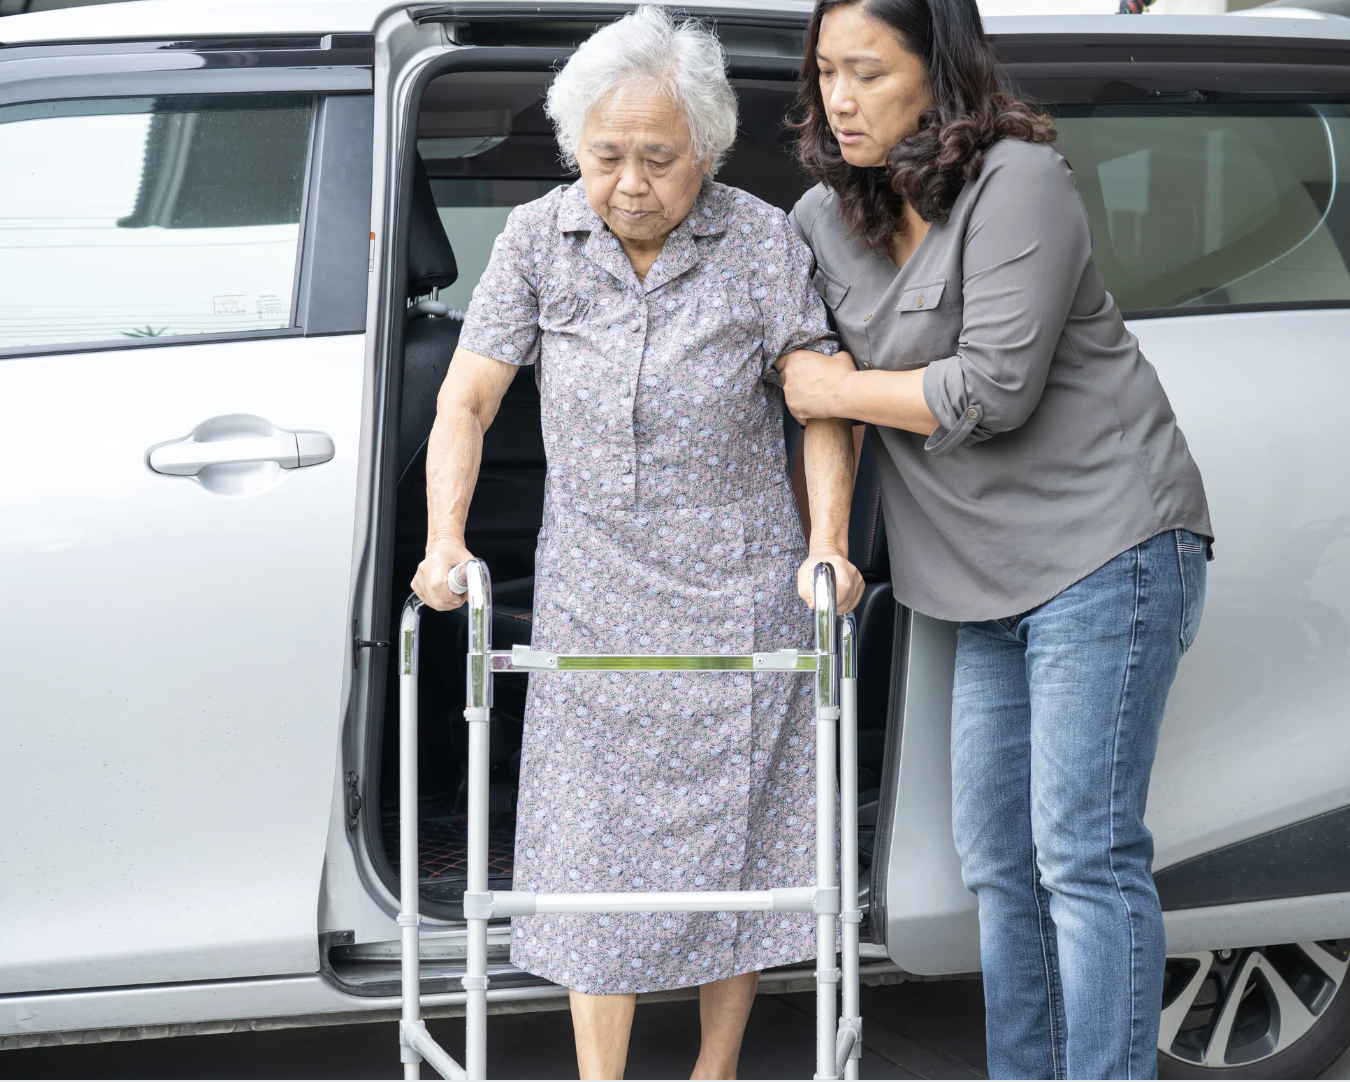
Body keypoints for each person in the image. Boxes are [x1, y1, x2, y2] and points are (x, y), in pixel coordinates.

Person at [410, 8, 863, 1079]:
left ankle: (715, 1068)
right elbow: (466, 401)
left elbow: (821, 405)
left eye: (656, 158)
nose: (626, 181)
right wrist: (443, 540)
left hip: (738, 590)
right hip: (591, 593)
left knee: (736, 849)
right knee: (590, 855)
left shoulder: (758, 240)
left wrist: (828, 545)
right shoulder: (536, 237)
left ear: (702, 150)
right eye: (604, 155)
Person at [775, 0, 1213, 1076]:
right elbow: (809, 394)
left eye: (868, 72)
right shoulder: (817, 221)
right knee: (998, 865)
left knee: (1082, 855)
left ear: (938, 72)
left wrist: (832, 380)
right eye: (827, 71)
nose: (839, 99)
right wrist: (829, 531)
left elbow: (995, 390)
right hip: (974, 586)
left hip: (1106, 544)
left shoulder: (1019, 180)